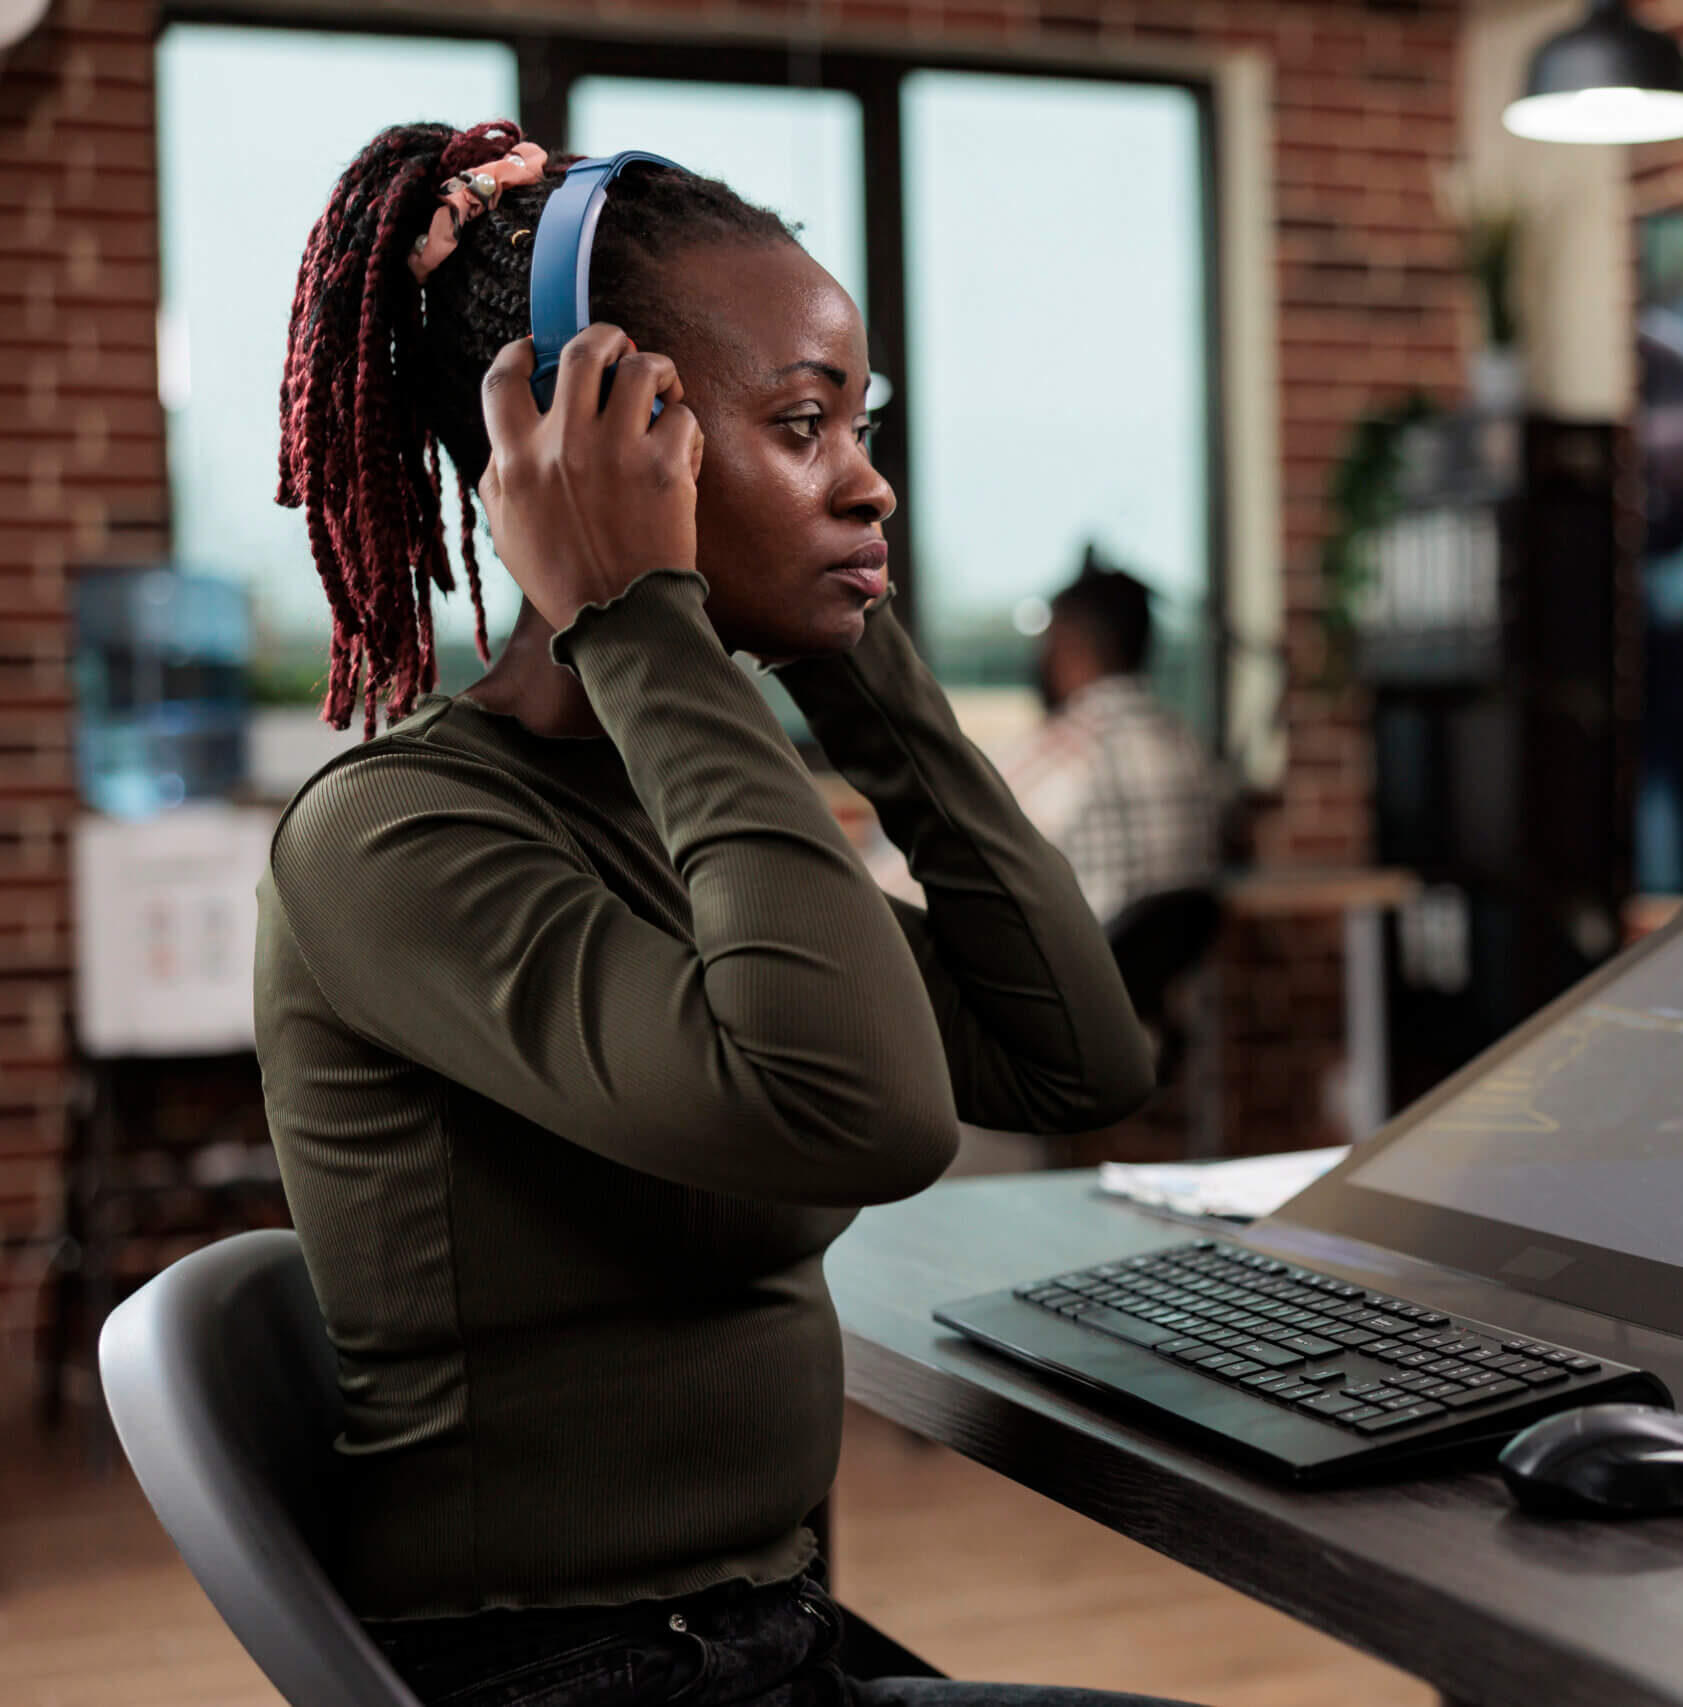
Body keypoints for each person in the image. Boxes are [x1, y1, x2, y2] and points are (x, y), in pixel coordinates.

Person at [258, 120, 1190, 1706]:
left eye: (861, 423)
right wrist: (636, 610)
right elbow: (863, 1111)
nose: (868, 478)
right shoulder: (395, 836)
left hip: (767, 1642)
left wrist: (864, 669)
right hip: (571, 1674)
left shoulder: (673, 810)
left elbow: (1075, 1059)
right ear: (597, 453)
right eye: (806, 424)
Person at [999, 553, 1219, 927]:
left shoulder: (1068, 750)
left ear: (1070, 642)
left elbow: (898, 884)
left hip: (1069, 979)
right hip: (1150, 980)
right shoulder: (1186, 745)